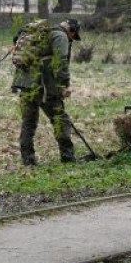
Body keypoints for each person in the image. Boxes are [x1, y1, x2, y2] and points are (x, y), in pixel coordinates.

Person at [11, 18, 82, 166]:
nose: (71, 40)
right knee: (60, 120)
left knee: (28, 122)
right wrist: (64, 85)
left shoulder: (37, 33)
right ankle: (68, 158)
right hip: (43, 87)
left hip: (24, 84)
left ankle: (28, 160)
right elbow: (61, 61)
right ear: (72, 30)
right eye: (73, 37)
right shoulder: (59, 36)